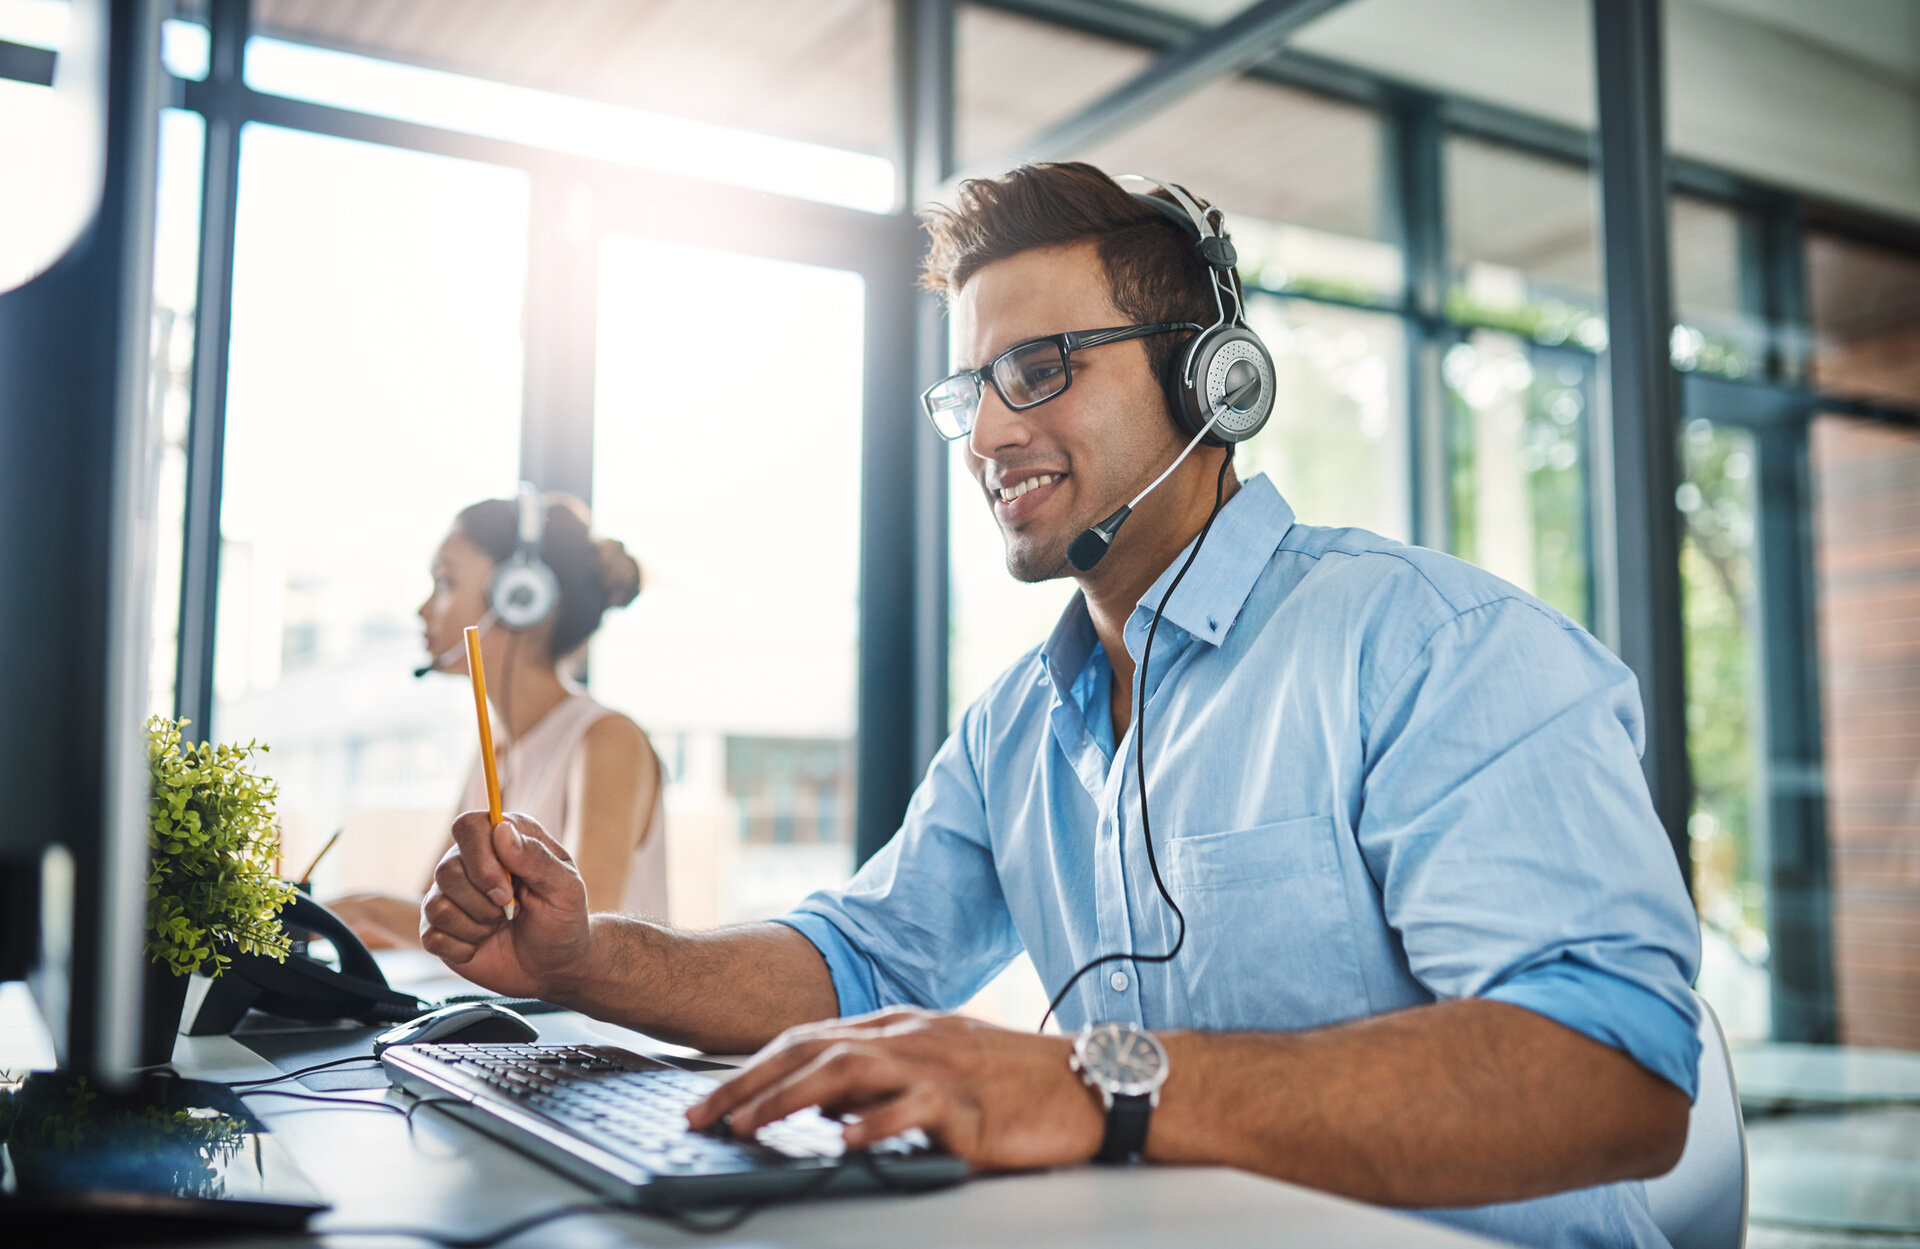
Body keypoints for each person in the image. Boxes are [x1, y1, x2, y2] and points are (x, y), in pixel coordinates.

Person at [417, 164, 1701, 1249]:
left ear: (1213, 384)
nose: (985, 434)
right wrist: (589, 962)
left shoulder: (1436, 647)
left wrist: (1094, 1084)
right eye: (969, 388)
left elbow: (1612, 1072)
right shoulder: (1019, 723)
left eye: (1037, 369)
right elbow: (855, 960)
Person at [329, 494, 664, 948]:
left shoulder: (607, 741)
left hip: (583, 1022)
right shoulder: (497, 750)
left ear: (517, 596)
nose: (423, 610)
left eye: (445, 582)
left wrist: (366, 908)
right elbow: (435, 920)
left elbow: (579, 940)